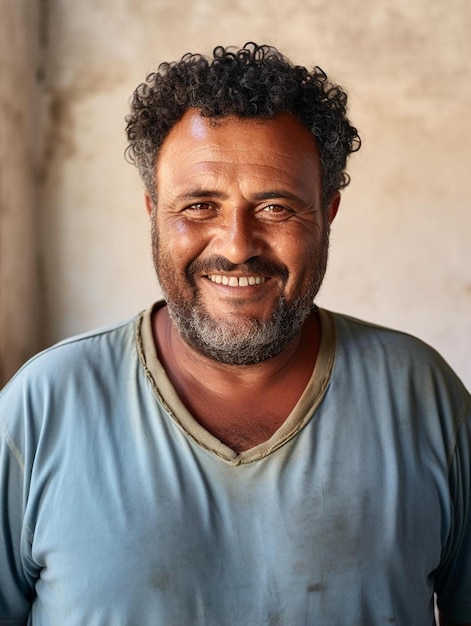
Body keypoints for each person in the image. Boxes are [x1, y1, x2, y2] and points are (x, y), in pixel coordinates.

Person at [0, 42, 470, 626]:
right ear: (153, 211)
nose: (236, 244)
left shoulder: (423, 400)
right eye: (199, 205)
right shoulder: (40, 410)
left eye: (276, 208)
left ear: (328, 213)